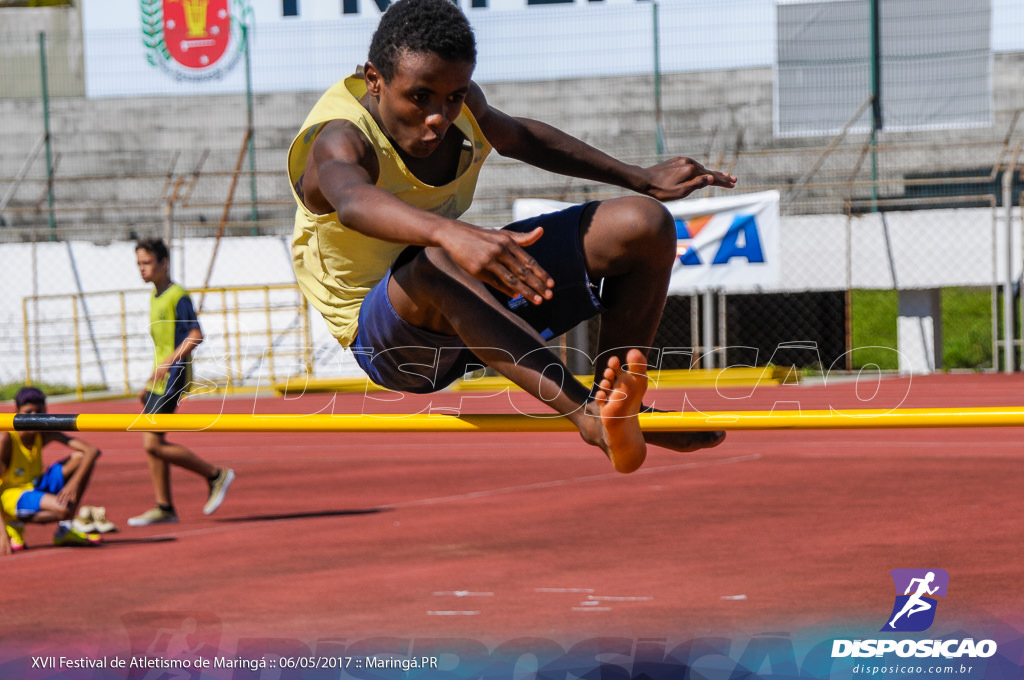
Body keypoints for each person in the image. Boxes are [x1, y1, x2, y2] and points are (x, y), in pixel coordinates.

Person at [287, 0, 736, 474]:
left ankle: (618, 406)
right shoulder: (339, 139)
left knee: (645, 225)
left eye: (453, 97)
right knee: (437, 259)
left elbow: (521, 137)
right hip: (392, 344)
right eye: (419, 98)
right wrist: (452, 234)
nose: (439, 117)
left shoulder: (461, 105)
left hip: (477, 310)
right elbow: (354, 202)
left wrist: (640, 178)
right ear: (374, 79)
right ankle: (588, 417)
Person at [129, 237, 235, 526]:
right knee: (152, 442)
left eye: (147, 262)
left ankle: (215, 474)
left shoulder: (178, 296)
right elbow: (162, 346)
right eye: (139, 263)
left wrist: (168, 364)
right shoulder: (155, 297)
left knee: (152, 444)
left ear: (164, 263)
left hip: (174, 378)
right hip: (159, 380)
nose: (142, 268)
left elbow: (195, 335)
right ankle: (164, 506)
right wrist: (149, 383)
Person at [1, 386, 103, 554]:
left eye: (38, 412)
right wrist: (1, 533)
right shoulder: (6, 439)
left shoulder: (43, 433)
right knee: (64, 509)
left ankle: (65, 529)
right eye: (28, 413)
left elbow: (91, 451)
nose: (33, 419)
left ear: (46, 411)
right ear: (16, 411)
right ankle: (10, 523)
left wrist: (73, 485)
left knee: (79, 457)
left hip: (34, 485)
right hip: (12, 495)